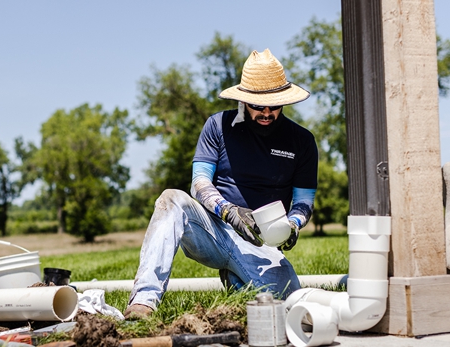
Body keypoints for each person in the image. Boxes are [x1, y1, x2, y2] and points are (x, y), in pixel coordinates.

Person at [123, 49, 318, 320]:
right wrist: (229, 212)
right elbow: (199, 183)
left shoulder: (302, 141)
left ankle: (237, 280)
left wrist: (294, 225)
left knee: (289, 303)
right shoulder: (218, 125)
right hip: (212, 229)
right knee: (171, 199)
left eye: (273, 105)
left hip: (260, 243)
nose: (266, 112)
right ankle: (143, 301)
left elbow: (304, 201)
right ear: (244, 100)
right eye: (258, 106)